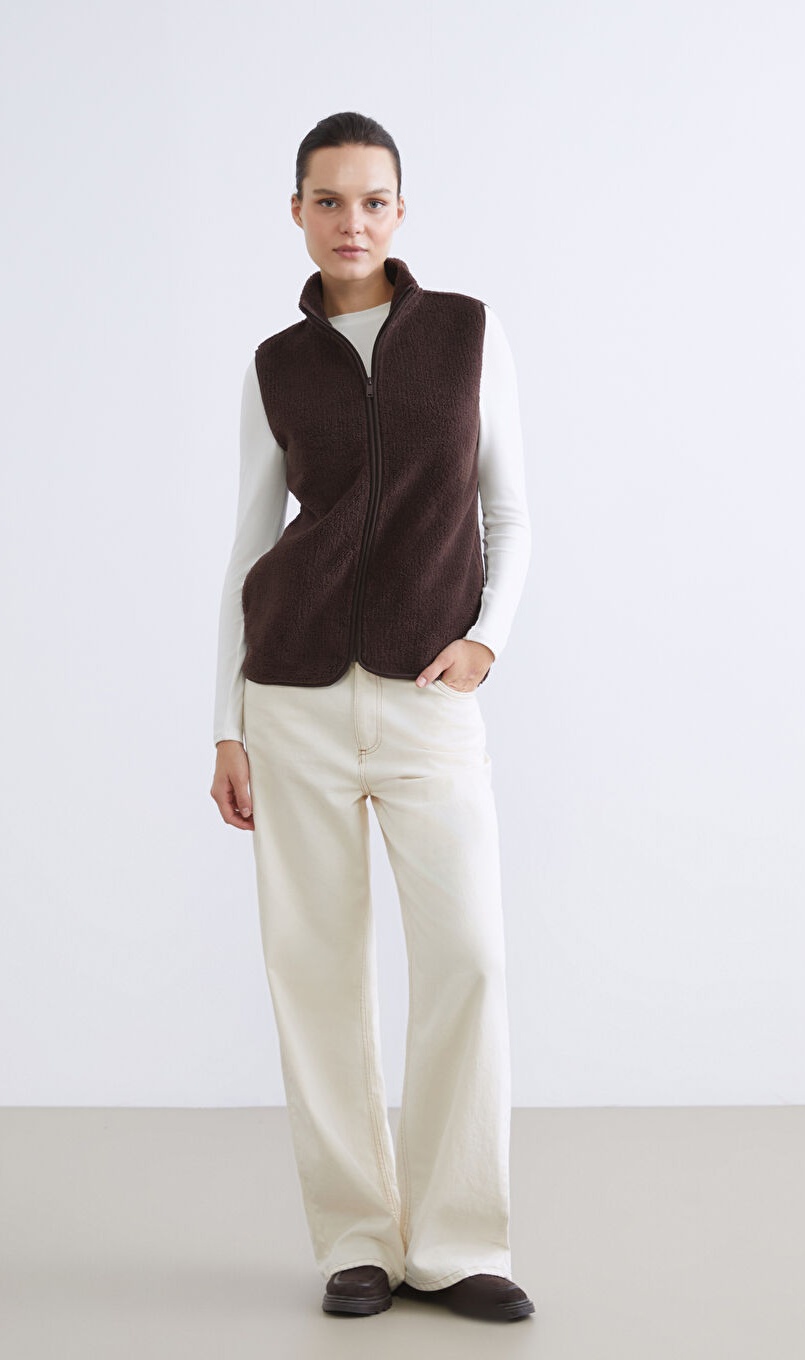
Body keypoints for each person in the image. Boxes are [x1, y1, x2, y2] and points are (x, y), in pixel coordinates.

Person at [209, 111, 534, 1323]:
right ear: (297, 211)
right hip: (290, 699)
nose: (352, 221)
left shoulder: (467, 334)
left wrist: (487, 639)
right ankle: (357, 1238)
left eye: (373, 200)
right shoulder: (276, 365)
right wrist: (227, 721)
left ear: (402, 210)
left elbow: (511, 510)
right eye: (329, 200)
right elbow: (248, 545)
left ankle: (456, 1242)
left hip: (426, 697)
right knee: (315, 968)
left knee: (469, 958)